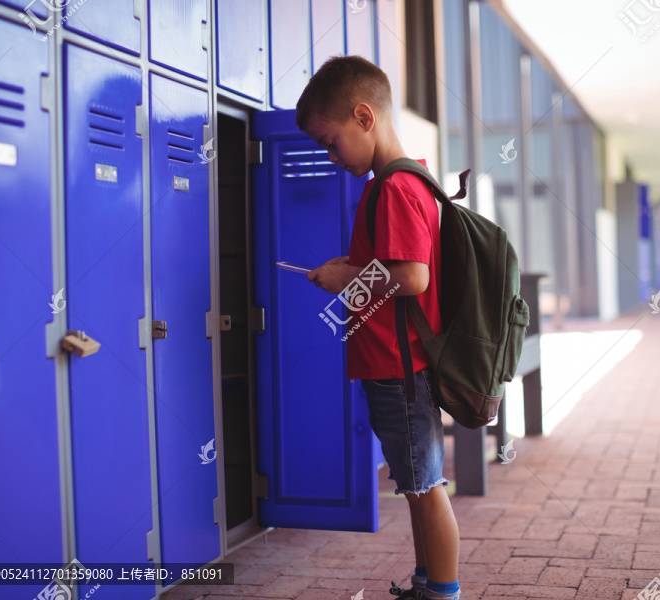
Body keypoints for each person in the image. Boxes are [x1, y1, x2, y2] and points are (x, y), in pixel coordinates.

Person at [297, 55, 461, 600]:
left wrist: (346, 276)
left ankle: (443, 592)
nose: (329, 155)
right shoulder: (403, 180)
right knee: (416, 486)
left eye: (330, 140)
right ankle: (427, 583)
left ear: (364, 117)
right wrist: (348, 276)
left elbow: (413, 276)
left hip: (400, 367)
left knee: (426, 486)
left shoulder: (392, 187)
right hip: (396, 366)